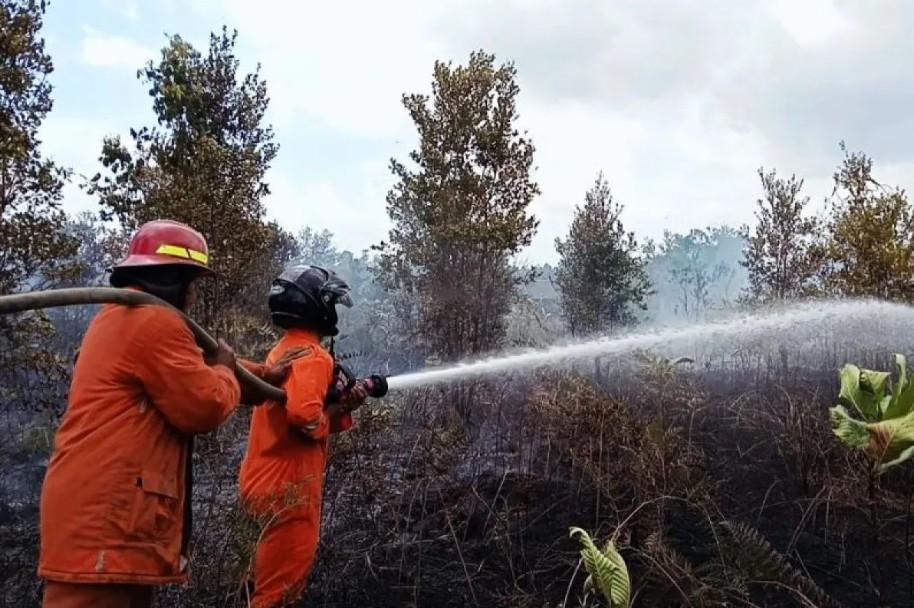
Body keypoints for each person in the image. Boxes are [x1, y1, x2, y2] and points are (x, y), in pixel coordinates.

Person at [39, 219, 301, 608]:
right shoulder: (154, 321)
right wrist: (225, 368)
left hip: (106, 522)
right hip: (107, 524)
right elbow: (205, 404)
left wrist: (264, 375)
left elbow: (193, 368)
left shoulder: (125, 318)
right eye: (191, 283)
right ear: (172, 280)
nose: (192, 295)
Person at [239, 265, 368, 608]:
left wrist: (339, 407)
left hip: (261, 480)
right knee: (278, 591)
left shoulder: (285, 349)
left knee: (257, 580)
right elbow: (304, 418)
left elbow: (298, 409)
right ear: (317, 305)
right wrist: (332, 412)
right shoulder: (313, 356)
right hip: (289, 491)